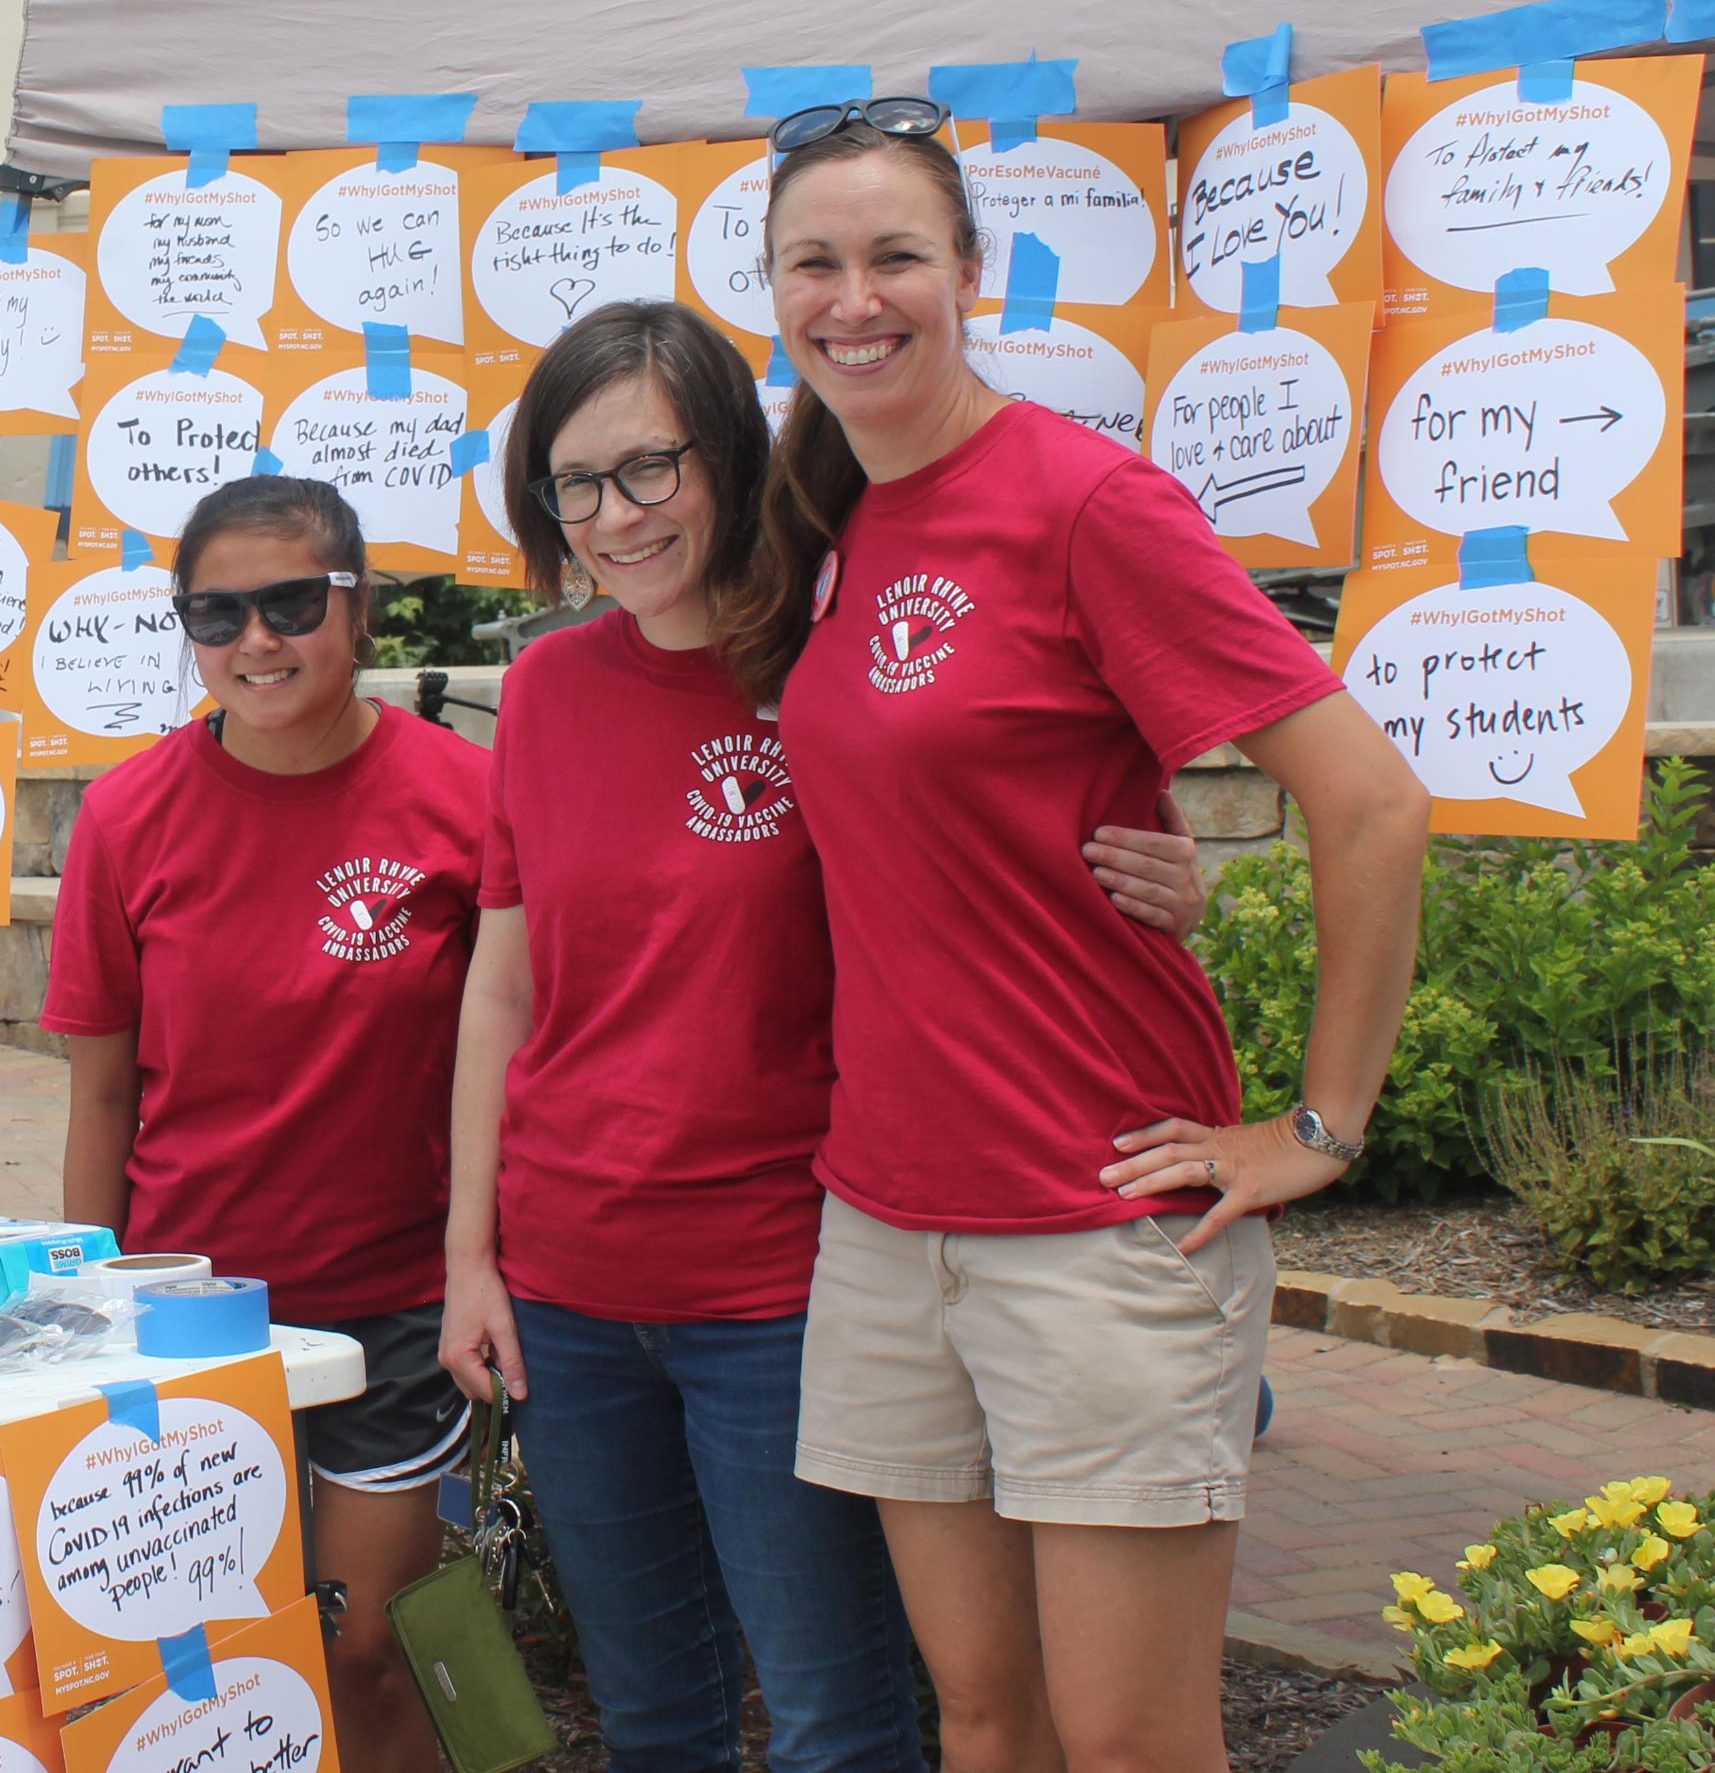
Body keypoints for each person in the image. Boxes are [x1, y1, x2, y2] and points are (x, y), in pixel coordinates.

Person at [439, 301, 1210, 1773]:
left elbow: (990, 832)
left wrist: (1164, 871)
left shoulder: (836, 663)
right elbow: (503, 987)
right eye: (574, 483)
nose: (615, 515)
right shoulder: (544, 688)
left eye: (650, 467)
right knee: (655, 1719)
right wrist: (471, 1257)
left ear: (732, 455)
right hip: (572, 1291)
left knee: (835, 1721)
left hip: (786, 1286)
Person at [748, 106, 1425, 1773]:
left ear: (969, 272)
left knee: (1128, 1740)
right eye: (814, 263)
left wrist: (1320, 1123)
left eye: (896, 254)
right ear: (770, 289)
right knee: (985, 1715)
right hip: (889, 1217)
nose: (856, 297)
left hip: (1098, 1213)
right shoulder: (828, 510)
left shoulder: (1084, 500)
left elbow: (1371, 802)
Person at [46, 475, 486, 1773]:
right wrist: (95, 1306)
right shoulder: (128, 816)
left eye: (292, 603)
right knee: (210, 1649)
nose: (256, 640)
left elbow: (520, 1042)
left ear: (357, 609)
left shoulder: (467, 795)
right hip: (193, 1306)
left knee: (364, 1644)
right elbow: (102, 1091)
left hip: (395, 1301)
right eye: (217, 611)